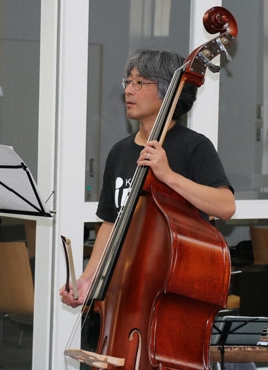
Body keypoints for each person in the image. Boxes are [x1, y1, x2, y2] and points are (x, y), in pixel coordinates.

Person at [60, 49, 236, 308]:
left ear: (168, 91)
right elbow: (111, 223)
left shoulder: (194, 147)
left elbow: (225, 206)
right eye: (128, 81)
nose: (128, 91)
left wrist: (168, 176)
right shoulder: (119, 152)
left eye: (139, 82)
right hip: (126, 285)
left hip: (173, 288)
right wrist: (88, 278)